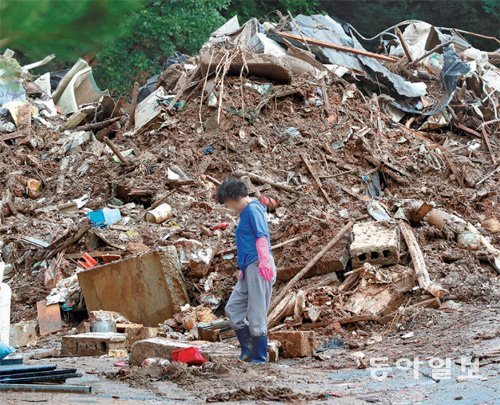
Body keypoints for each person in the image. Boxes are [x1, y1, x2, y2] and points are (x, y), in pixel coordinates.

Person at [216, 178, 276, 364]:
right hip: (248, 267)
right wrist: (242, 267)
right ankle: (248, 348)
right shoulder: (245, 213)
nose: (228, 207)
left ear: (233, 199)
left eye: (227, 203)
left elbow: (262, 236)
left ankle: (259, 358)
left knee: (257, 313)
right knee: (233, 308)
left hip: (259, 266)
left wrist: (264, 261)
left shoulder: (253, 210)